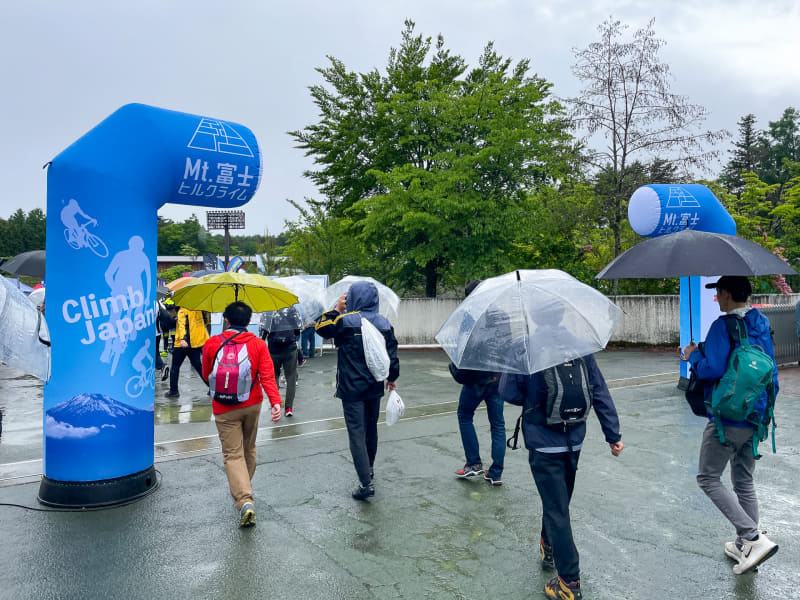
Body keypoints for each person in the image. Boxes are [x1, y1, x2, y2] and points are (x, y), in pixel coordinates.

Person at [500, 349, 623, 600]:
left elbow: (508, 392)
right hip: (574, 440)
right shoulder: (578, 346)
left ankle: (569, 581)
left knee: (557, 508)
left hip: (543, 442)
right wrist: (613, 435)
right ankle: (548, 546)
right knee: (559, 502)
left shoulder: (527, 349)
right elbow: (598, 389)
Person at [682, 275, 779, 574]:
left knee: (708, 478)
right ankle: (744, 547)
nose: (716, 299)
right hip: (756, 415)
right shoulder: (761, 323)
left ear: (725, 294)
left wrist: (693, 354)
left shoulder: (722, 326)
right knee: (744, 481)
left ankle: (752, 538)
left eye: (717, 294)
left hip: (726, 416)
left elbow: (712, 368)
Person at [315, 281, 400, 501]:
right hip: (374, 385)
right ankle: (368, 470)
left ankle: (365, 483)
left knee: (356, 433)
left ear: (352, 298)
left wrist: (337, 308)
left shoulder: (345, 321)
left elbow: (321, 328)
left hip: (351, 387)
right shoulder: (384, 323)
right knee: (371, 429)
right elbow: (392, 353)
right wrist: (392, 377)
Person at [202, 301, 282, 527]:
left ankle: (244, 498)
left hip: (223, 408)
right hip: (252, 404)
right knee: (249, 448)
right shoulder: (258, 344)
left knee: (232, 454)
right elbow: (267, 376)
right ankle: (243, 487)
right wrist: (276, 402)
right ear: (248, 321)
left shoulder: (211, 343)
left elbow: (208, 374)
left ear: (226, 320)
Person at [449, 279, 506, 486]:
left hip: (475, 378)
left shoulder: (470, 316)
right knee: (498, 425)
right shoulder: (503, 316)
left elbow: (464, 346)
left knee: (464, 415)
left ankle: (473, 464)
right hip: (497, 378)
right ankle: (496, 472)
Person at [165, 305, 209, 399]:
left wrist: (183, 339)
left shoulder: (183, 311)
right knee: (198, 366)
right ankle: (212, 387)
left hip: (182, 344)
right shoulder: (198, 310)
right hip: (196, 342)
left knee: (175, 367)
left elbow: (183, 325)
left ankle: (173, 391)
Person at [262, 322, 301, 417]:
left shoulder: (269, 313)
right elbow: (297, 331)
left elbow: (264, 332)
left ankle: (276, 404)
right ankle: (289, 408)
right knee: (291, 378)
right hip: (290, 349)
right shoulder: (291, 310)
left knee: (274, 376)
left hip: (273, 350)